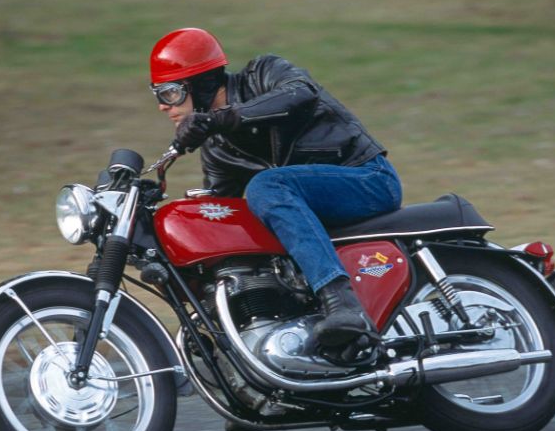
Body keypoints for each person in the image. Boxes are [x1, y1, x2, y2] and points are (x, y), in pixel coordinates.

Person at [149, 27, 402, 352]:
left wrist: (220, 119)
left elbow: (300, 92)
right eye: (158, 95)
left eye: (170, 93)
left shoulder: (263, 73)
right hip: (313, 207)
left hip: (367, 179)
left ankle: (343, 303)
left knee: (267, 186)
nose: (163, 106)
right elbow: (219, 215)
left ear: (200, 84)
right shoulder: (218, 148)